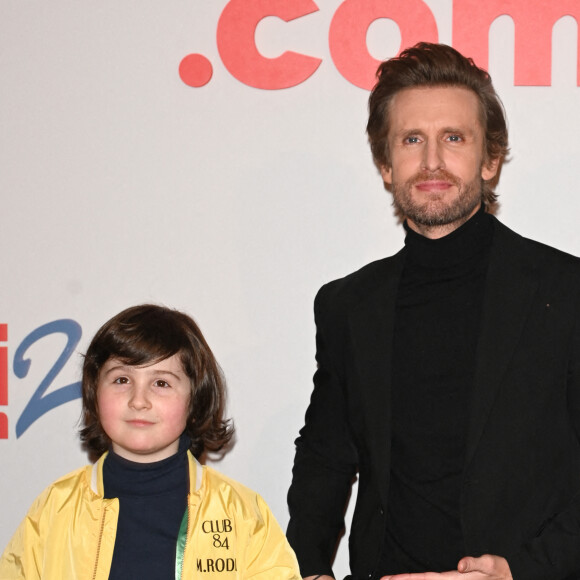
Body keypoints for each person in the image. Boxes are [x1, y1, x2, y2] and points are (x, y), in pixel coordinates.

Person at [286, 42, 580, 580]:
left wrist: (522, 570)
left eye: (454, 138)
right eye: (412, 139)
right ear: (385, 164)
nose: (432, 162)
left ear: (490, 159)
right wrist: (310, 568)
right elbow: (325, 456)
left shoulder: (567, 293)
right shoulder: (348, 305)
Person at [1, 304, 300, 579]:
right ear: (93, 390)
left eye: (161, 383)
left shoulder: (241, 513)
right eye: (121, 380)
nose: (139, 400)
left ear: (195, 399)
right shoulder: (55, 508)